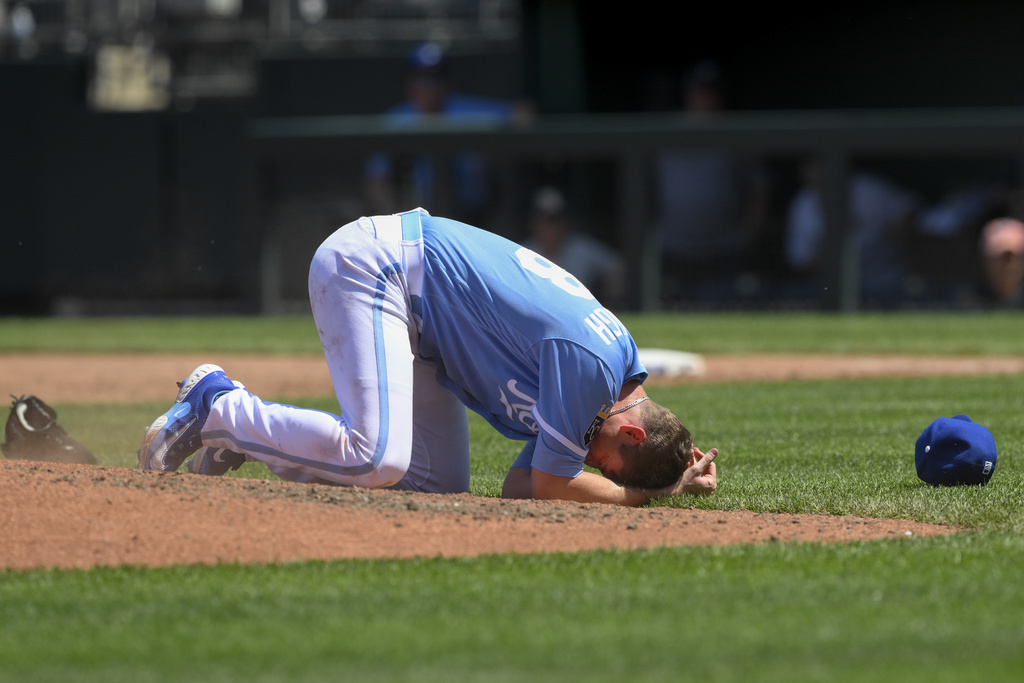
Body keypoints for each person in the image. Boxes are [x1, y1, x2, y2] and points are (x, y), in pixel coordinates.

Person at [137, 208, 718, 506]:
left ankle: (236, 439)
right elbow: (549, 485)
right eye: (607, 462)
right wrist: (645, 495)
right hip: (380, 267)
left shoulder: (607, 379)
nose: (592, 462)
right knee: (376, 460)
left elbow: (522, 486)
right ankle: (216, 407)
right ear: (634, 435)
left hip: (419, 320)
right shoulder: (589, 367)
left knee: (435, 484)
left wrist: (661, 483)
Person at [364, 42, 530, 227]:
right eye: (420, 77)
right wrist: (390, 221)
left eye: (436, 77)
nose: (428, 85)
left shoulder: (463, 110)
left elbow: (522, 114)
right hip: (418, 218)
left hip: (471, 215)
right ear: (408, 83)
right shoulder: (397, 121)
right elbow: (377, 177)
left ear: (448, 81)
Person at [655, 60, 770, 305]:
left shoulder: (734, 135)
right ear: (687, 94)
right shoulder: (666, 132)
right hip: (675, 248)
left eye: (710, 92)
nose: (704, 98)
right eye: (699, 91)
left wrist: (749, 232)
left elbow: (759, 185)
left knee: (727, 306)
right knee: (674, 309)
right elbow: (642, 186)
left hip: (724, 248)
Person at [522, 186, 625, 306]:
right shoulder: (522, 252)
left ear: (564, 221)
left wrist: (610, 301)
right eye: (544, 220)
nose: (550, 227)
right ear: (534, 222)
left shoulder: (582, 249)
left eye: (555, 220)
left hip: (580, 315)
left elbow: (615, 265)